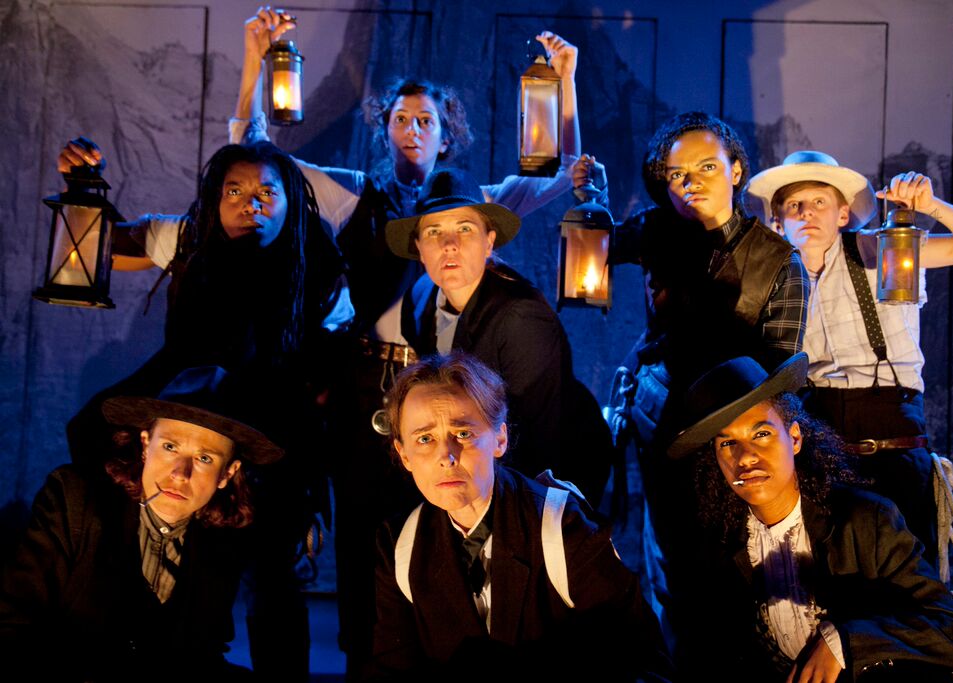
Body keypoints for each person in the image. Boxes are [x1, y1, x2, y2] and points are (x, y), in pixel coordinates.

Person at [232, 8, 602, 667]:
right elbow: (258, 155)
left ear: (445, 135)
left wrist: (565, 82)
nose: (412, 130)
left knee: (431, 523)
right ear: (385, 130)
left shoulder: (476, 202)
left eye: (425, 121)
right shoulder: (355, 194)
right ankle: (362, 655)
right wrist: (256, 61)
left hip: (437, 392)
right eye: (401, 119)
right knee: (361, 528)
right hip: (366, 387)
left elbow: (565, 169)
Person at [57, 138, 342, 681]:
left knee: (273, 580)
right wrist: (81, 186)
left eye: (266, 193)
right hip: (187, 419)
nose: (250, 204)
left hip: (273, 434)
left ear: (290, 201)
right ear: (215, 198)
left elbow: (325, 378)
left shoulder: (318, 259)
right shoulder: (187, 238)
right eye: (234, 191)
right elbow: (95, 242)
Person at [604, 111, 809, 655]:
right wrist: (587, 192)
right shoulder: (654, 232)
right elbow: (591, 237)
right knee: (668, 575)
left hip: (734, 436)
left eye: (707, 167)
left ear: (736, 169)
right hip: (661, 427)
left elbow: (781, 380)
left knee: (736, 576)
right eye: (677, 174)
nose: (691, 182)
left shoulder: (778, 262)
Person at [745, 150, 953, 562]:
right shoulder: (771, 281)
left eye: (819, 202)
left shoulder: (884, 251)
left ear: (842, 214)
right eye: (794, 204)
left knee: (909, 572)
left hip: (894, 439)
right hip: (821, 443)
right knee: (833, 571)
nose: (807, 212)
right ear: (778, 221)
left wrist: (931, 206)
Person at [671, 353, 953, 682]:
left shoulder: (866, 521)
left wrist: (843, 641)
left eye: (761, 434)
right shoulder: (719, 549)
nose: (745, 458)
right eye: (728, 443)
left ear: (794, 438)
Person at [368, 352, 672, 681]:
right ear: (404, 455)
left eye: (463, 434)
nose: (446, 457)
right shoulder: (400, 545)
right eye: (425, 439)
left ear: (500, 439)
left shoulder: (561, 525)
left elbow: (645, 662)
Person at [0, 366, 284, 681]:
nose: (180, 474)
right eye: (170, 447)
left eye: (204, 458)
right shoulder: (75, 500)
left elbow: (203, 654)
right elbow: (13, 626)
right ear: (146, 444)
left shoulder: (223, 539)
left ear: (227, 474)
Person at [386, 168, 614, 503]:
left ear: (488, 241)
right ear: (419, 248)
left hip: (554, 472)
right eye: (434, 232)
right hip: (469, 458)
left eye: (465, 228)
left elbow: (534, 437)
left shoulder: (522, 318)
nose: (449, 245)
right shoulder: (419, 298)